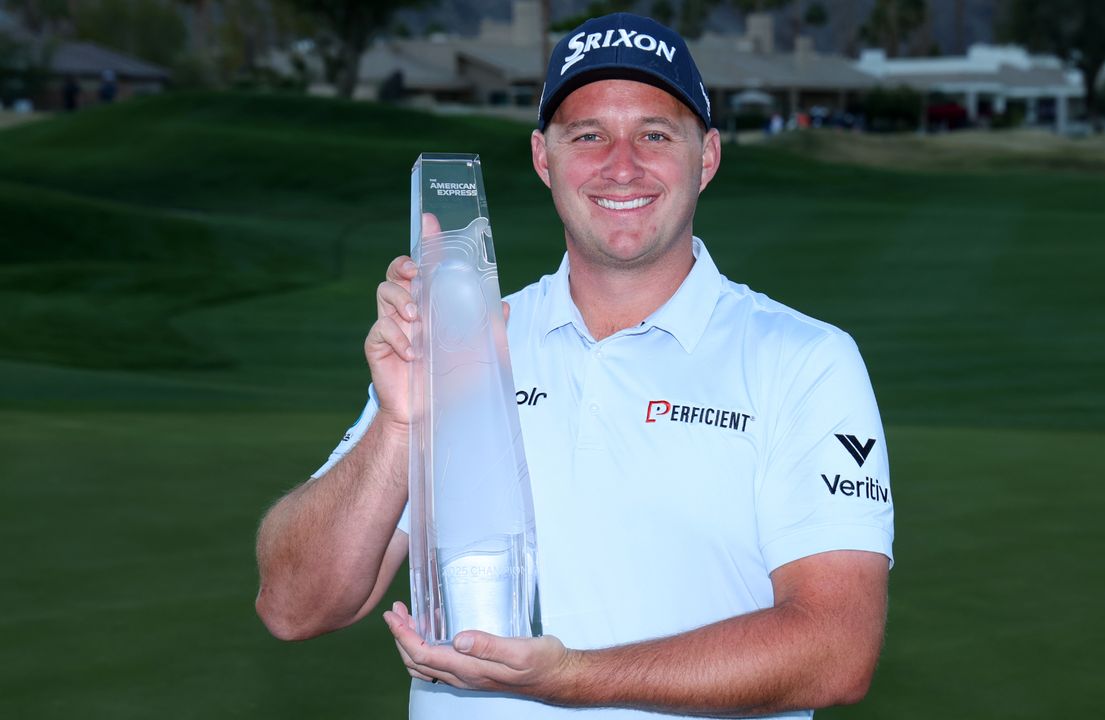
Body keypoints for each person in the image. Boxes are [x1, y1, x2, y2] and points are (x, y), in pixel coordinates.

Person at [256, 13, 893, 720]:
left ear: (706, 156)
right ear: (542, 157)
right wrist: (402, 423)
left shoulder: (804, 361)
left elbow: (837, 648)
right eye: (588, 135)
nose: (622, 164)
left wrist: (570, 678)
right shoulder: (465, 343)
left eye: (655, 133)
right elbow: (294, 605)